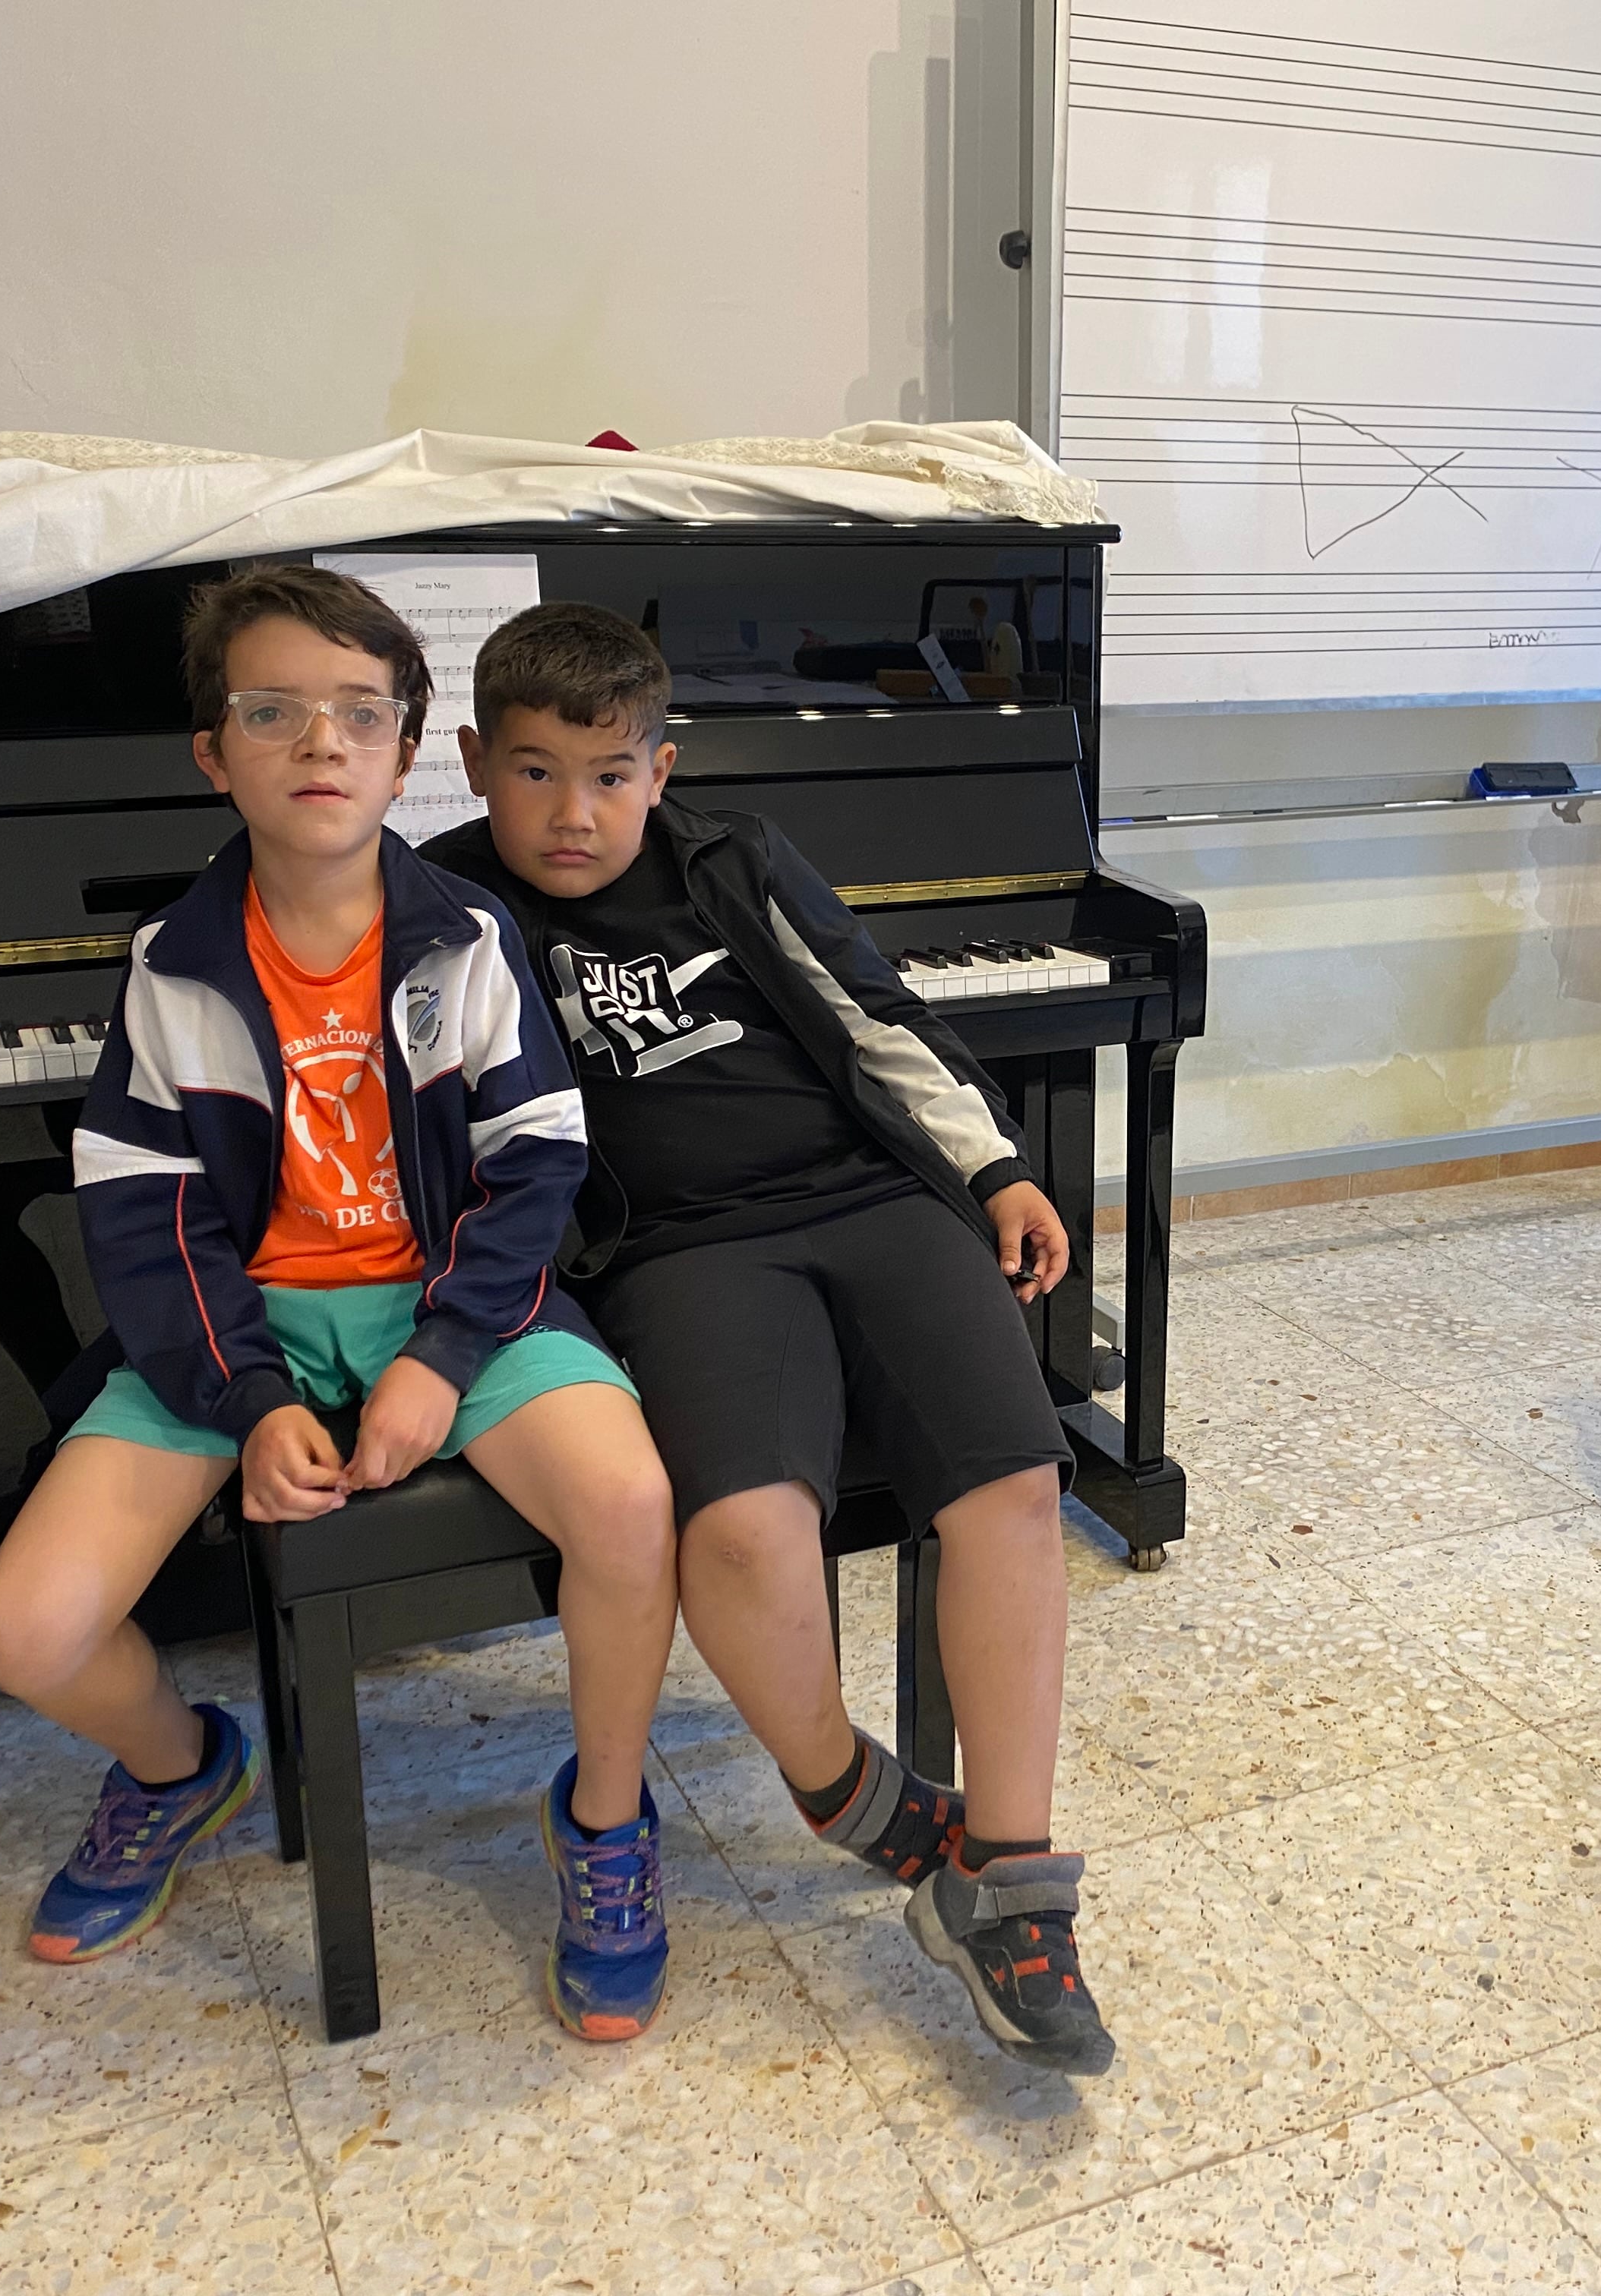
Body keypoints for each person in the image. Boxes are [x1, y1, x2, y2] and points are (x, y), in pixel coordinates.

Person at [0, 566, 684, 2044]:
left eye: (360, 714)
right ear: (214, 752)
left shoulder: (467, 940)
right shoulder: (174, 967)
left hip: (456, 1310)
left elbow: (539, 1168)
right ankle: (180, 1767)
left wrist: (441, 1356)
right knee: (24, 1629)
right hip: (246, 1330)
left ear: (407, 754)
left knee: (627, 1509)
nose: (320, 742)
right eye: (274, 711)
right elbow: (146, 1219)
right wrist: (248, 1399)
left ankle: (605, 1821)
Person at [422, 601, 1113, 2076]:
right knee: (739, 1535)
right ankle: (852, 1793)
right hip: (680, 1250)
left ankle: (1014, 1886)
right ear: (477, 762)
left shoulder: (734, 861)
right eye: (536, 772)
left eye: (611, 775)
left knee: (1015, 1486)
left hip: (873, 1202)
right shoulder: (448, 905)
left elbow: (877, 1019)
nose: (574, 811)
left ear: (661, 770)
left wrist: (993, 1167)